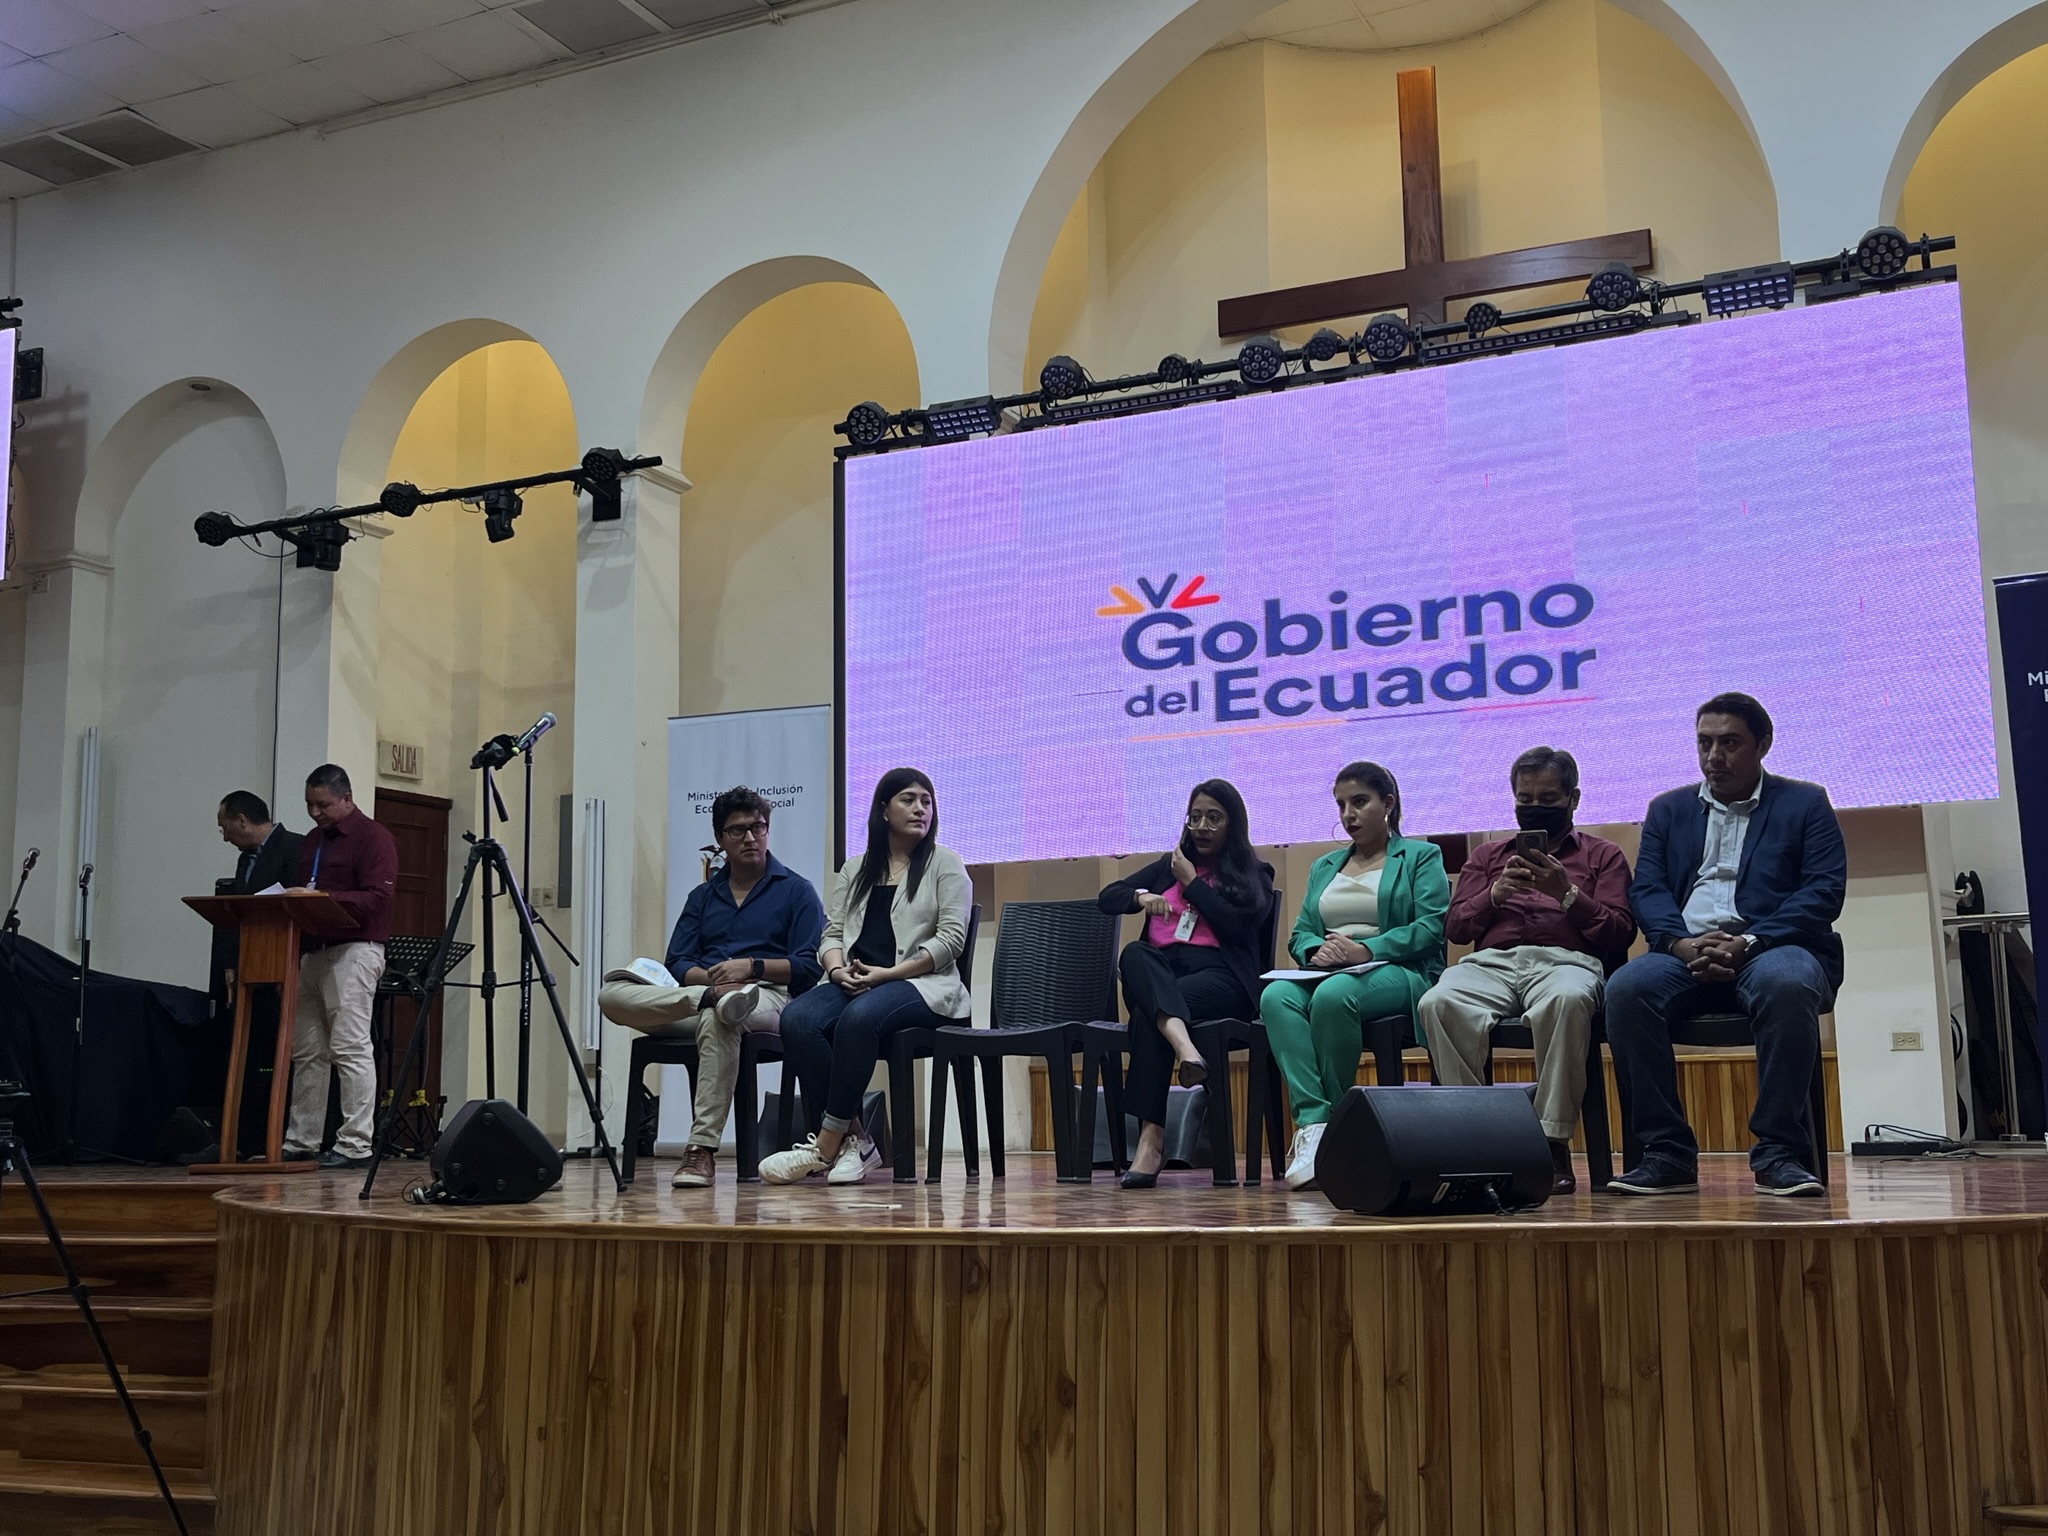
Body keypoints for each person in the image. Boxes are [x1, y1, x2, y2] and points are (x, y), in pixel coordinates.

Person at [1606, 692, 1846, 1198]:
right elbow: (1647, 889)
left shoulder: (1805, 803)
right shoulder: (1668, 809)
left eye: (1730, 743)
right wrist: (1679, 944)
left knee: (1788, 984)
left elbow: (1823, 891)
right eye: (1705, 743)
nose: (1714, 756)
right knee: (1626, 989)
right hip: (1685, 951)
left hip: (1773, 945)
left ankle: (1779, 1153)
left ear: (1763, 744)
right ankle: (1666, 1153)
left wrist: (1750, 941)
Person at [1416, 747, 1636, 1194]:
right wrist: (1493, 895)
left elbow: (1620, 932)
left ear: (1573, 799)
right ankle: (1477, 1143)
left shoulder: (1603, 855)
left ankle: (1548, 1144)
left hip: (1566, 961)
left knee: (1567, 1000)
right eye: (1525, 799)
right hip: (1491, 964)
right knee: (1438, 1002)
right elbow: (1455, 928)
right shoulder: (1487, 857)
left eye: (1548, 799)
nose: (1535, 808)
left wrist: (1567, 894)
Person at [596, 786, 826, 1188]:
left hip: (769, 996)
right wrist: (709, 983)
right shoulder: (702, 896)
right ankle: (712, 998)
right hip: (700, 999)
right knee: (611, 995)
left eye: (758, 827)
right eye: (738, 830)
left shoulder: (796, 890)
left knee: (723, 1016)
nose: (750, 837)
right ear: (720, 839)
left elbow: (808, 967)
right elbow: (677, 962)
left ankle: (700, 1150)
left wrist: (751, 967)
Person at [760, 768, 972, 1186]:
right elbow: (832, 933)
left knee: (858, 1019)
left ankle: (824, 1146)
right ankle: (856, 1139)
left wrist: (887, 975)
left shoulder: (945, 864)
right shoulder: (856, 869)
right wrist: (837, 970)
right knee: (797, 1019)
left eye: (926, 801)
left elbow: (951, 941)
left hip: (921, 984)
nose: (920, 809)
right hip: (855, 980)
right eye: (908, 799)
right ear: (884, 810)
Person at [1261, 761, 1448, 1190]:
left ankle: (1336, 1126)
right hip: (1331, 970)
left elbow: (1431, 928)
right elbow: (1301, 933)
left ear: (1388, 803)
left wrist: (1367, 949)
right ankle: (1315, 1124)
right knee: (1275, 997)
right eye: (1342, 805)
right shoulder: (1325, 866)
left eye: (1360, 802)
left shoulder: (1421, 856)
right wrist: (1317, 950)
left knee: (1335, 995)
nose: (1349, 814)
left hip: (1400, 970)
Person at [1096, 779, 1274, 1190]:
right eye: (1195, 817)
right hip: (1162, 972)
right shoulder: (1168, 865)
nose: (1202, 827)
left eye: (1214, 818)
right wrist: (1140, 897)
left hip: (1222, 979)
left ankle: (1151, 1140)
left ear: (1232, 823)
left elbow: (1240, 926)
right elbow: (1108, 896)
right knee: (1134, 954)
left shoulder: (1254, 872)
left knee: (1149, 1015)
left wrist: (1192, 883)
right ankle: (1186, 1050)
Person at [281, 764, 398, 1170]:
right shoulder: (313, 840)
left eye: (323, 805)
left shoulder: (373, 836)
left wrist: (321, 899)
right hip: (313, 951)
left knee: (349, 1047)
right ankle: (302, 1140)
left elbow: (378, 899)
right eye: (309, 804)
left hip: (355, 950)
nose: (315, 813)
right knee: (307, 1051)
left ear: (346, 798)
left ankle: (355, 1144)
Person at [202, 791, 304, 1158]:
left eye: (224, 827)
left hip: (285, 968)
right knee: (249, 1056)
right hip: (252, 970)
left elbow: (299, 908)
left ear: (242, 821)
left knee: (284, 1057)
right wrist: (231, 963)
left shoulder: (295, 848)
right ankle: (243, 1141)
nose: (224, 836)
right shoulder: (246, 859)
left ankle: (281, 1138)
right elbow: (238, 915)